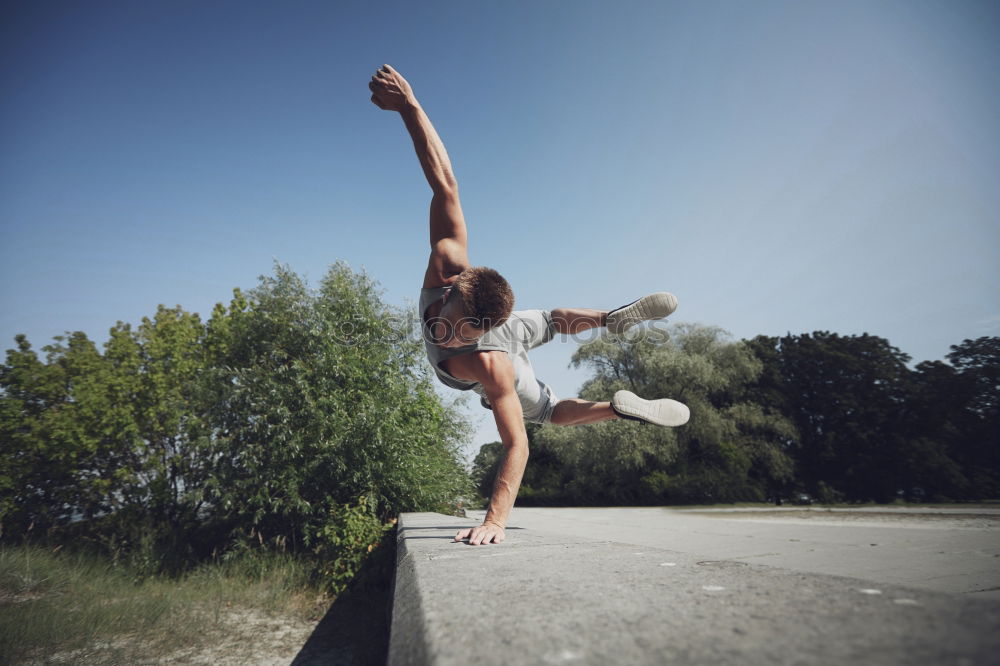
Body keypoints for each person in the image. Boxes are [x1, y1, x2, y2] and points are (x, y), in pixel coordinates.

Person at [369, 64, 689, 546]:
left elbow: (516, 444)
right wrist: (410, 106)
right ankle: (613, 360)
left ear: (484, 332)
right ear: (454, 285)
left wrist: (494, 520)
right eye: (454, 326)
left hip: (506, 348)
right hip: (511, 326)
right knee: (552, 325)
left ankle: (614, 362)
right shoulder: (446, 262)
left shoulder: (490, 362)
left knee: (548, 411)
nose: (451, 337)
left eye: (465, 335)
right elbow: (445, 183)